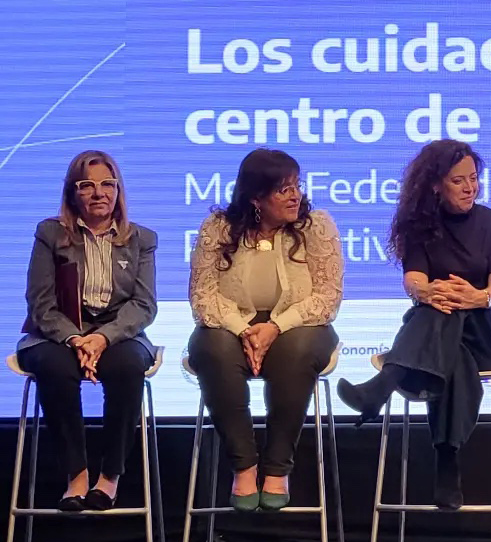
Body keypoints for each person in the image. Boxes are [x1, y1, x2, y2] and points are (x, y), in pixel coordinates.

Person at [337, 140, 491, 510]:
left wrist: (476, 297)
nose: (470, 187)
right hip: (441, 337)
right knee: (448, 341)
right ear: (436, 184)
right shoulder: (419, 226)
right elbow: (413, 280)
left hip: (490, 329)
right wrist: (429, 291)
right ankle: (447, 461)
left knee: (439, 311)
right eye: (459, 181)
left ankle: (385, 383)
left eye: (474, 178)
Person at [187, 148, 342, 512]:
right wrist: (244, 330)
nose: (295, 196)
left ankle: (277, 468)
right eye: (283, 190)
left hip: (300, 324)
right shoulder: (219, 228)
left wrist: (275, 326)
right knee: (211, 347)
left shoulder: (316, 225)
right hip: (233, 324)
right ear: (256, 198)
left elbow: (328, 296)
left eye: (296, 187)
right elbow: (202, 295)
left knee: (299, 349)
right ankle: (244, 465)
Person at [18, 150, 157, 511]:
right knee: (54, 366)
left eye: (108, 184)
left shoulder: (141, 239)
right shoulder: (51, 233)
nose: (99, 193)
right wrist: (76, 338)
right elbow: (40, 301)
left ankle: (109, 477)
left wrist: (102, 338)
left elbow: (143, 305)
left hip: (118, 333)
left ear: (119, 190)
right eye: (87, 185)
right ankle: (75, 474)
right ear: (71, 193)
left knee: (128, 366)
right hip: (57, 333)